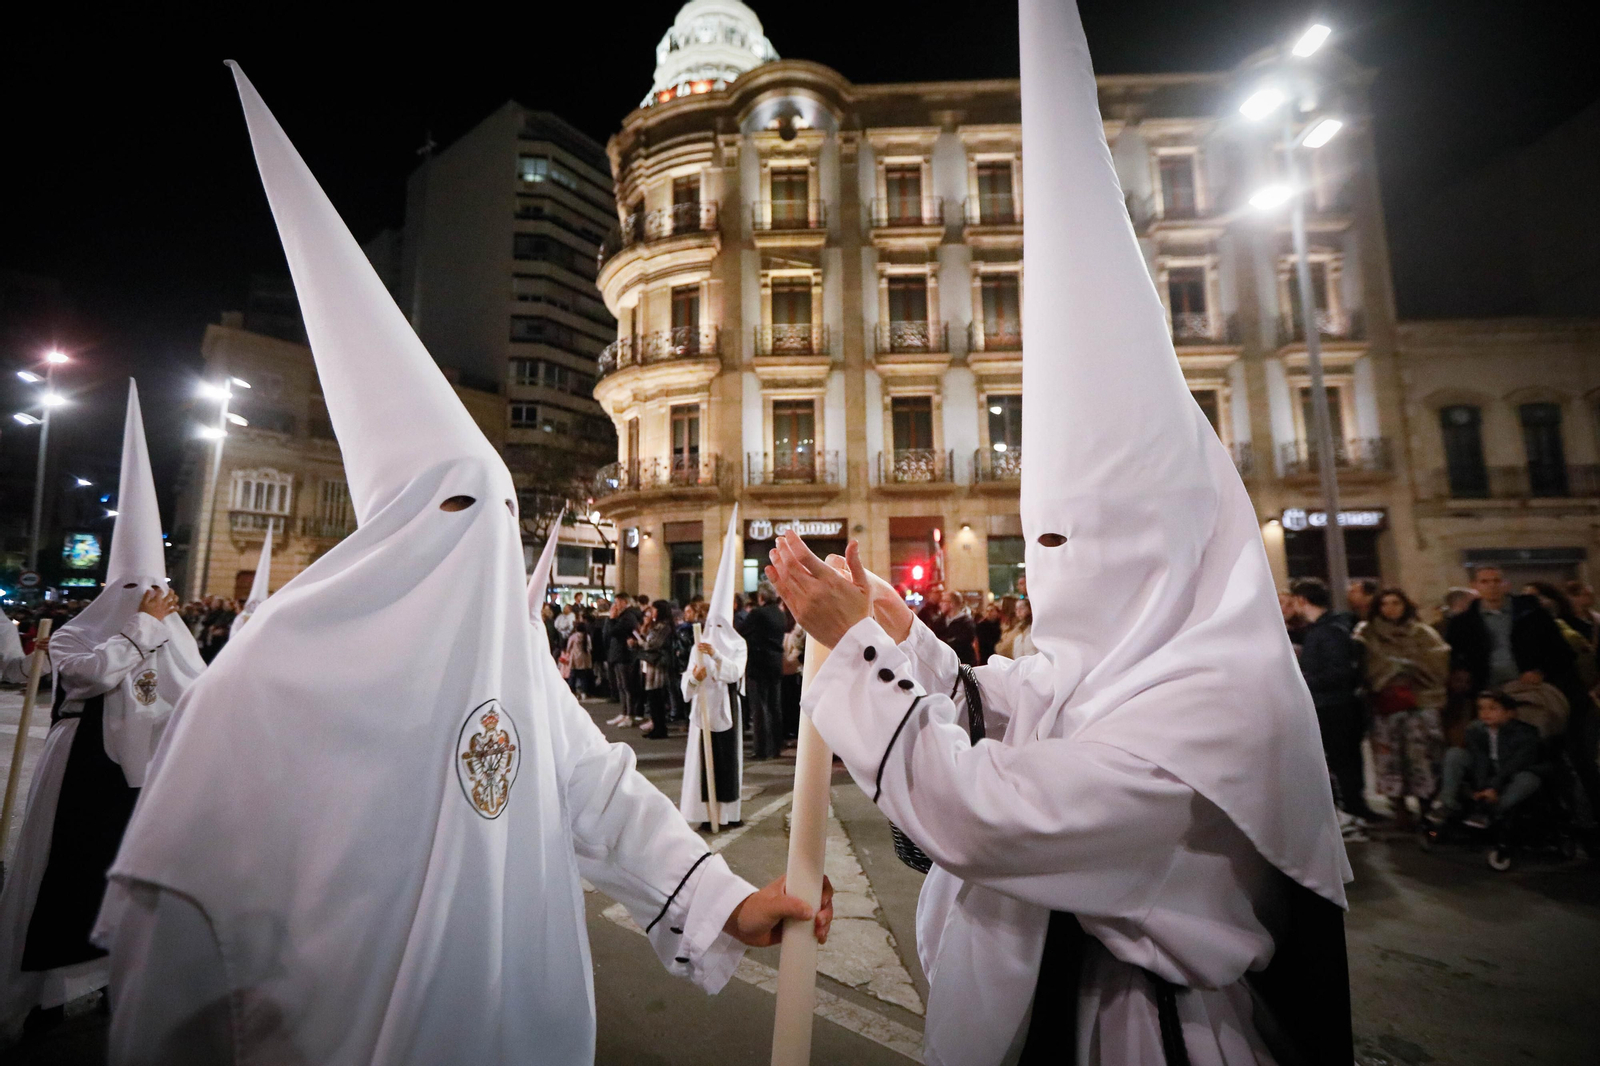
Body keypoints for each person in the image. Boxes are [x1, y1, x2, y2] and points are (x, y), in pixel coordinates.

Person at [94, 69, 832, 1065]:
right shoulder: (263, 684)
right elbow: (178, 941)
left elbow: (598, 793)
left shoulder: (508, 663)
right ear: (394, 530)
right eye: (455, 509)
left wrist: (726, 899)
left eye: (493, 513)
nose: (479, 540)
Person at [765, 6, 1351, 1060]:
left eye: (1072, 545)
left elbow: (987, 812)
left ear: (1152, 547)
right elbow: (1001, 704)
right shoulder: (1120, 667)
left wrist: (855, 649)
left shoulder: (1216, 711)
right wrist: (900, 637)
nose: (1054, 578)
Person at [0, 382, 206, 1044]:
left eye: (153, 593)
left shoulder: (170, 639)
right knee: (63, 880)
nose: (145, 601)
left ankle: (119, 981)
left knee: (126, 885)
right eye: (133, 591)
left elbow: (199, 695)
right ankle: (46, 993)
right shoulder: (74, 635)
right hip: (80, 777)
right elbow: (92, 676)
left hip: (146, 785)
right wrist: (143, 632)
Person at [1446, 565, 1600, 826]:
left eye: (1496, 581)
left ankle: (1580, 817)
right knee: (1493, 752)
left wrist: (1540, 670)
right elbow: (1457, 658)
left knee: (1557, 751)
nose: (1492, 586)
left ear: (1505, 584)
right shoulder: (1464, 622)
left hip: (1535, 695)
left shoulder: (1531, 613)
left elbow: (1562, 653)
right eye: (1485, 581)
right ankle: (1493, 804)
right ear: (1476, 586)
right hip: (1491, 695)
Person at [1354, 588, 1449, 828]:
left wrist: (1410, 667)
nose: (1391, 608)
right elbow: (1367, 664)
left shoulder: (1423, 633)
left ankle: (1427, 804)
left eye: (1396, 603)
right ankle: (1398, 808)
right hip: (1386, 703)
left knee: (1424, 754)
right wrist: (1391, 671)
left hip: (1420, 700)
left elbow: (1437, 661)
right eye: (1385, 604)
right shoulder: (1367, 634)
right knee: (1390, 757)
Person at [681, 512, 748, 829]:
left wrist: (718, 659)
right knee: (701, 765)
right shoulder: (698, 644)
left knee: (726, 763)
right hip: (703, 712)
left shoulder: (737, 644)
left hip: (726, 709)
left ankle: (728, 814)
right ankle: (703, 813)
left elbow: (735, 672)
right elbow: (686, 686)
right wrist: (695, 678)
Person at [1291, 577, 1376, 823]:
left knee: (1343, 759)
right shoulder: (1326, 628)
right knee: (1343, 759)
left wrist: (1304, 681)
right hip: (1332, 703)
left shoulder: (1327, 631)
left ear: (1301, 600)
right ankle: (1351, 805)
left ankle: (1353, 806)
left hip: (1334, 706)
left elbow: (1338, 672)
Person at [1433, 691, 1544, 830]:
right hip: (1487, 773)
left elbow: (1515, 764)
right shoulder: (1476, 731)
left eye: (1493, 708)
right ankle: (1447, 803)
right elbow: (1481, 761)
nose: (1486, 713)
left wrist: (1493, 788)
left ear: (1509, 713)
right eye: (1481, 708)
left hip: (1512, 773)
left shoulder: (1526, 733)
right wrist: (1482, 788)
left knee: (1528, 779)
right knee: (1455, 753)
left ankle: (1489, 811)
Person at [736, 581, 787, 760]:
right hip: (775, 663)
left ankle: (761, 749)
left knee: (759, 708)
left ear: (761, 597)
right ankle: (775, 748)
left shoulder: (757, 614)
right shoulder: (780, 614)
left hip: (758, 664)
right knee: (775, 707)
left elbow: (740, 632)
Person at [637, 601, 676, 739]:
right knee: (653, 698)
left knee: (657, 698)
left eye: (653, 610)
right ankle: (656, 727)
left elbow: (653, 644)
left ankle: (660, 728)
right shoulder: (658, 626)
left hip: (659, 665)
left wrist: (640, 642)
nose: (651, 613)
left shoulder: (664, 627)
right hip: (652, 664)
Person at [604, 594, 642, 727]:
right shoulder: (621, 616)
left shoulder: (628, 616)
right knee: (621, 685)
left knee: (627, 686)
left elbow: (614, 632)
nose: (616, 606)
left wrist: (611, 619)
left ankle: (629, 714)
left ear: (625, 602)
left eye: (618, 602)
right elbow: (607, 633)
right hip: (617, 654)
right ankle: (624, 712)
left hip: (625, 655)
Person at [937, 591, 978, 666]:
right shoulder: (939, 621)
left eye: (944, 601)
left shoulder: (966, 622)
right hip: (944, 663)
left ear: (952, 604)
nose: (940, 604)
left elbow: (962, 642)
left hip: (962, 662)